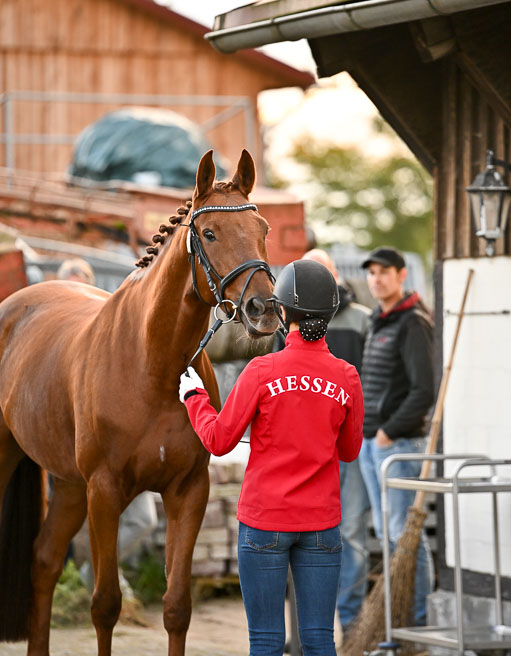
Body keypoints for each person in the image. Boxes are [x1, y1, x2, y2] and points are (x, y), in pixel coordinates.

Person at [179, 259, 364, 656]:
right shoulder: (346, 375)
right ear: (329, 314)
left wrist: (194, 398)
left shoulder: (262, 370)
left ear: (282, 312)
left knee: (264, 640)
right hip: (320, 524)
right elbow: (349, 451)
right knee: (318, 639)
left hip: (265, 523)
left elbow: (217, 439)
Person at [56, 257, 158, 595]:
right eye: (67, 285)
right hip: (75, 454)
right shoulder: (57, 340)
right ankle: (79, 577)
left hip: (124, 448)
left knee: (144, 521)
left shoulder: (110, 333)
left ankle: (94, 573)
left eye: (80, 283)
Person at [358, 246, 435, 626]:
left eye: (384, 272)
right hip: (370, 443)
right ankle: (402, 618)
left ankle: (419, 621)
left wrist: (389, 433)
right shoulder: (378, 318)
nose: (377, 279)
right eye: (372, 272)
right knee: (387, 533)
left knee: (406, 535)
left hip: (398, 445)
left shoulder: (413, 322)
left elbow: (424, 390)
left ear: (402, 275)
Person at [302, 249, 371, 637]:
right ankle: (311, 630)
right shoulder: (290, 325)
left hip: (349, 447)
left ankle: (353, 626)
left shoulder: (361, 320)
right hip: (309, 450)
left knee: (353, 533)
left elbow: (372, 380)